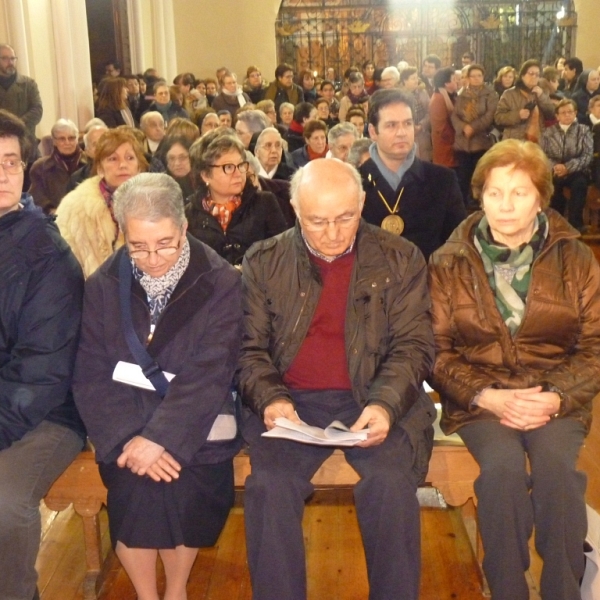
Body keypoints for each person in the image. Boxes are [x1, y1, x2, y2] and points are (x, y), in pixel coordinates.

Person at [237, 157, 435, 600]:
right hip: (291, 404)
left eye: (346, 217)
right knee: (269, 486)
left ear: (363, 203)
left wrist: (384, 405)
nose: (332, 232)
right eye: (317, 221)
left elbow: (414, 346)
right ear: (294, 211)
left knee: (389, 484)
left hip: (373, 395)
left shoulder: (400, 258)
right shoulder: (264, 261)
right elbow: (249, 349)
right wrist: (271, 399)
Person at [428, 138, 600, 600]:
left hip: (556, 397)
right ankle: (506, 590)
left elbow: (595, 346)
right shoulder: (447, 261)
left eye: (519, 193)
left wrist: (556, 395)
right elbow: (435, 351)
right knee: (501, 471)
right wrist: (487, 396)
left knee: (558, 473)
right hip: (481, 401)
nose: (505, 205)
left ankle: (564, 588)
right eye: (494, 192)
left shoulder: (576, 258)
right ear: (479, 195)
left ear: (541, 198)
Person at [73, 172, 243, 600]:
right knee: (135, 487)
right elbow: (91, 371)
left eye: (165, 243)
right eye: (138, 246)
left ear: (184, 227)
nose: (152, 258)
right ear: (122, 235)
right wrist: (131, 440)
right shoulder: (103, 284)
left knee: (184, 484)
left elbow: (212, 370)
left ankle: (178, 589)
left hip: (195, 416)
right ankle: (149, 595)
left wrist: (163, 438)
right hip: (125, 421)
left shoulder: (221, 281)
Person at [0, 109, 85, 600]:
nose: (5, 174)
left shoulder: (45, 254)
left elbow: (43, 370)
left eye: (12, 161)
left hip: (46, 413)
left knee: (5, 501)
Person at [360, 89, 465, 260]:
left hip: (427, 281)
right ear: (373, 132)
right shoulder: (355, 182)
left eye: (407, 123)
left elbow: (458, 246)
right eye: (391, 125)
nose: (402, 132)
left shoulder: (442, 180)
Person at [56, 128, 148, 278]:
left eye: (130, 158)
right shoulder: (75, 208)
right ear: (100, 169)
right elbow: (64, 270)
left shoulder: (155, 203)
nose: (123, 165)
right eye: (113, 159)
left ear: (139, 167)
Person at [185, 131, 287, 266]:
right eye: (228, 167)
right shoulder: (190, 215)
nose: (238, 173)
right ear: (205, 175)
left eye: (240, 165)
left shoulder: (264, 203)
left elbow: (283, 255)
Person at [541, 98, 593, 232]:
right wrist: (556, 167)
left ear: (575, 113)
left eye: (570, 112)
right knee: (553, 185)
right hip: (556, 170)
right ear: (557, 116)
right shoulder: (548, 132)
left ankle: (575, 224)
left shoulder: (584, 130)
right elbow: (543, 154)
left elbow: (587, 155)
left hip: (577, 170)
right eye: (563, 112)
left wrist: (568, 167)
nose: (567, 115)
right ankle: (556, 223)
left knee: (579, 184)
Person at [451, 64, 499, 203]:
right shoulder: (462, 94)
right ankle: (462, 205)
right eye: (473, 76)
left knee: (480, 175)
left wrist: (473, 127)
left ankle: (480, 203)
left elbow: (490, 115)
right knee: (463, 176)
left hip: (481, 140)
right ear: (468, 78)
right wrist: (463, 127)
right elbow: (454, 115)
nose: (476, 79)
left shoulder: (490, 94)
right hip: (463, 141)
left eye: (479, 76)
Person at [28, 118, 85, 214]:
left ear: (77, 139)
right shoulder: (40, 167)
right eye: (62, 139)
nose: (67, 142)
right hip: (52, 219)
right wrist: (51, 210)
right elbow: (36, 195)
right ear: (54, 141)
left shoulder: (91, 164)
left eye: (71, 138)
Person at [494, 59, 555, 142]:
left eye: (537, 74)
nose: (534, 77)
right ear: (522, 75)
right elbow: (498, 118)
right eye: (531, 74)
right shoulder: (509, 94)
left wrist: (542, 96)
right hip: (515, 140)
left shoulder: (542, 92)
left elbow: (551, 113)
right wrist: (517, 115)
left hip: (538, 139)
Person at [0, 44, 42, 147]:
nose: (10, 62)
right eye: (5, 58)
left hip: (27, 143)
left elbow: (37, 110)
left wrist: (16, 125)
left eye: (13, 58)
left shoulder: (28, 84)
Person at [399, 67, 432, 161]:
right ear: (405, 80)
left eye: (416, 78)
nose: (416, 80)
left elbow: (429, 112)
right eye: (413, 78)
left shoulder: (423, 92)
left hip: (422, 133)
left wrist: (421, 125)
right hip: (406, 133)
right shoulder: (399, 95)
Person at [429, 66, 458, 169]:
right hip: (445, 148)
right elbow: (440, 128)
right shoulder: (439, 99)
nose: (457, 82)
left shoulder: (450, 96)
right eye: (454, 79)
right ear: (446, 83)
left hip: (451, 146)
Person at [68, 123, 108, 191]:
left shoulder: (124, 171)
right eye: (95, 144)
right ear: (87, 151)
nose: (101, 147)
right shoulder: (77, 179)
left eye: (104, 142)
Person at [155, 134, 195, 199]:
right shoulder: (159, 184)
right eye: (171, 158)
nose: (177, 163)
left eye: (182, 157)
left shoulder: (203, 180)